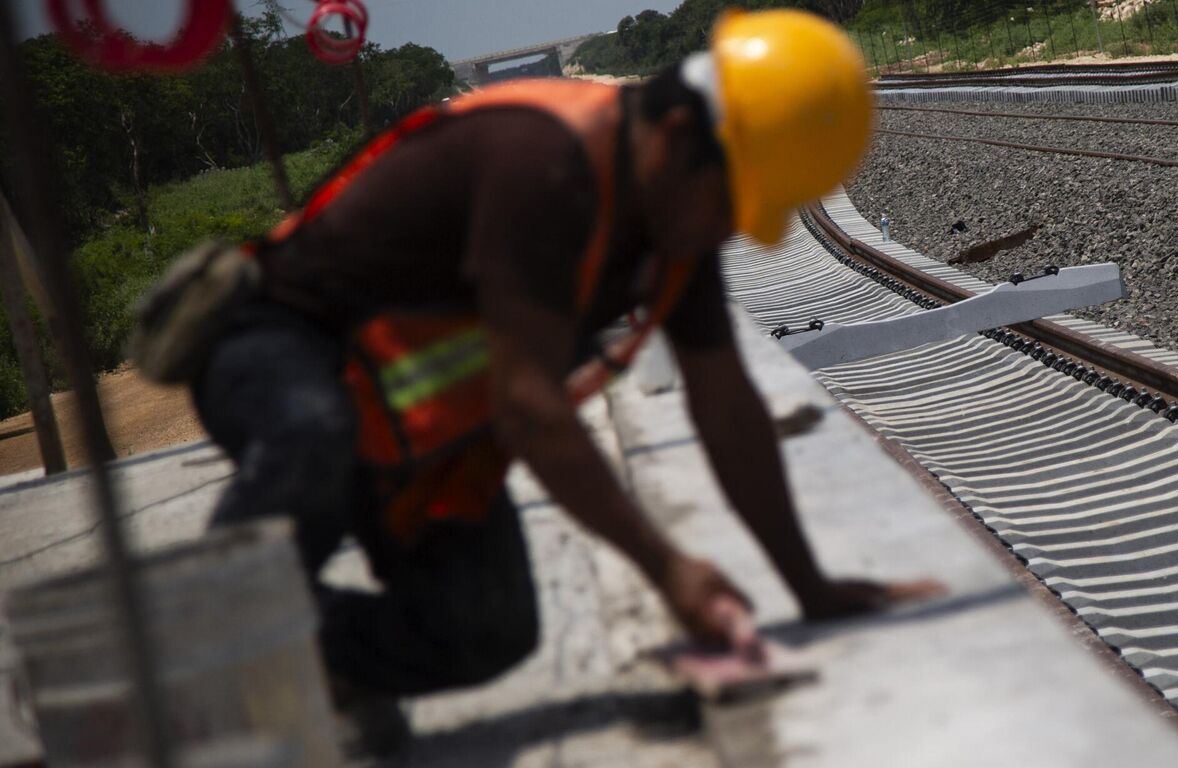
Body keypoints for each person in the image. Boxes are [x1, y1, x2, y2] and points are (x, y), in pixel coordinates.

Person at [177, 9, 939, 752]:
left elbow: (724, 398)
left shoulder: (675, 213)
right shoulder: (546, 162)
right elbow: (529, 409)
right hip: (274, 345)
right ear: (677, 139)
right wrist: (668, 568)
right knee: (312, 431)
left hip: (404, 408)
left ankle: (310, 666)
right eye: (732, 205)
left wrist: (809, 585)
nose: (731, 230)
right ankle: (199, 643)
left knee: (490, 625)